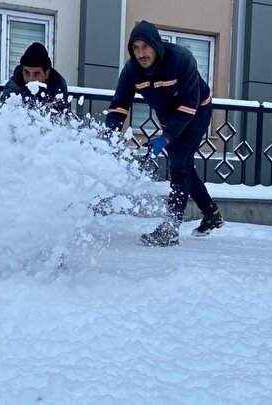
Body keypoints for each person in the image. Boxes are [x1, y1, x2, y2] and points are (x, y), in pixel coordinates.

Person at [105, 20, 224, 247]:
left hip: (196, 110)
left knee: (179, 164)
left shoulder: (181, 59)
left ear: (156, 45)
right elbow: (119, 106)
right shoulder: (131, 71)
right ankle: (212, 213)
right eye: (135, 48)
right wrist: (108, 138)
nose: (141, 53)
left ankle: (170, 228)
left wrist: (165, 138)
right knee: (184, 164)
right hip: (168, 115)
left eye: (145, 46)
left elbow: (189, 105)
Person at [1, 42, 69, 111]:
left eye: (36, 74)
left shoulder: (57, 84)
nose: (31, 79)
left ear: (46, 73)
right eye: (27, 73)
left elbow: (64, 110)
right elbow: (3, 113)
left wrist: (54, 108)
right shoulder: (14, 86)